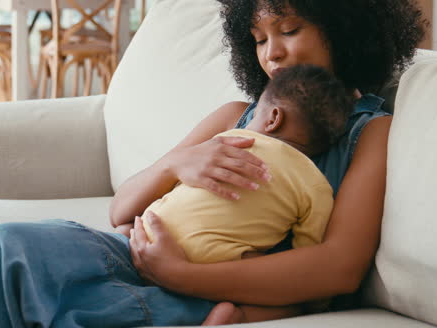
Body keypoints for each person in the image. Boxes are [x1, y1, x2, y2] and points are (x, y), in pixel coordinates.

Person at [0, 0, 427, 328]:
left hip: (206, 286)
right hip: (132, 254)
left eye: (289, 30)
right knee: (8, 248)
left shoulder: (370, 133)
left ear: (344, 27)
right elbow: (121, 211)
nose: (271, 52)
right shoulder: (234, 117)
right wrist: (175, 165)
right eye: (259, 39)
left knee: (24, 283)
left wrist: (182, 275)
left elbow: (337, 270)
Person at [144, 64, 354, 266]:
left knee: (125, 231)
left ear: (273, 118)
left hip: (152, 232)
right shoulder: (315, 185)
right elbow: (307, 257)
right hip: (221, 260)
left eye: (254, 115)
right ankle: (238, 306)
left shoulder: (229, 139)